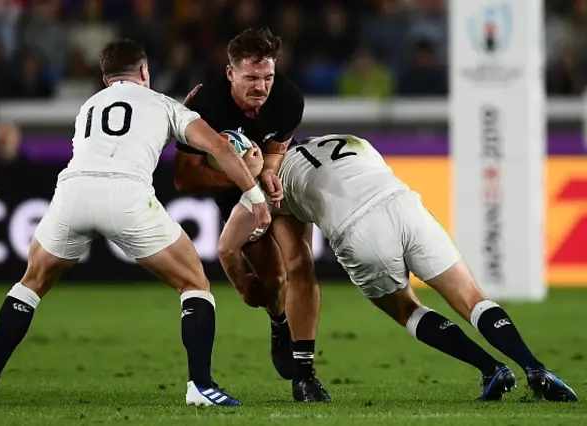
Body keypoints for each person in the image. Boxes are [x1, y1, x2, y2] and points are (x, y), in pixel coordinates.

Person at [0, 39, 273, 407]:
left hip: (72, 194)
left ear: (107, 81)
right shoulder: (162, 103)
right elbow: (218, 147)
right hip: (126, 196)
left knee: (30, 284)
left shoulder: (88, 106)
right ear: (144, 72)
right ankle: (200, 386)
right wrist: (254, 196)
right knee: (194, 283)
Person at [223, 134, 579, 403]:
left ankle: (491, 369)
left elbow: (266, 253)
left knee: (407, 309)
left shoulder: (266, 183)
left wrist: (244, 281)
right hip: (404, 204)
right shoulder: (348, 140)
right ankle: (534, 367)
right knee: (472, 298)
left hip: (357, 231)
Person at [174, 28, 306, 381]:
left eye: (267, 77)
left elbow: (279, 144)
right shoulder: (205, 107)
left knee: (297, 263)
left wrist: (270, 172)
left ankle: (289, 334)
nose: (260, 87)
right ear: (230, 73)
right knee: (274, 277)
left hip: (270, 182)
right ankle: (273, 316)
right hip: (231, 191)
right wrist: (242, 181)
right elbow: (185, 177)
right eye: (250, 77)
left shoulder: (288, 99)